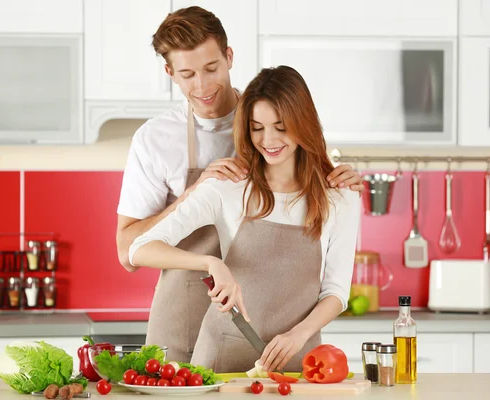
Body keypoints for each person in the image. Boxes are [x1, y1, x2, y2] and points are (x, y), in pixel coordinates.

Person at [115, 6, 364, 364]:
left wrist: (340, 175)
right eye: (187, 74)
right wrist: (193, 195)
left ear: (229, 57)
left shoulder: (266, 109)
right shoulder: (155, 140)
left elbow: (309, 169)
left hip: (274, 330)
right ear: (170, 73)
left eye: (211, 69)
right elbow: (129, 251)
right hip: (187, 318)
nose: (201, 85)